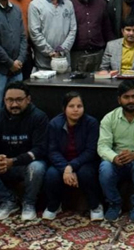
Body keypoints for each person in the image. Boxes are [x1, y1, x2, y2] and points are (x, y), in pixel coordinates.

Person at [0, 82, 48, 221]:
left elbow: (40, 149)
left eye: (19, 100)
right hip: (2, 166)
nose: (14, 104)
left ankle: (29, 203)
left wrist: (13, 161)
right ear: (4, 100)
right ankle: (8, 201)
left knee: (37, 167)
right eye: (9, 100)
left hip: (27, 164)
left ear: (28, 99)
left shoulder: (39, 117)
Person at [98, 81, 134, 222]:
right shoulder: (109, 118)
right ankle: (114, 204)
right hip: (117, 160)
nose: (130, 100)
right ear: (119, 100)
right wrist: (114, 157)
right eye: (126, 97)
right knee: (104, 167)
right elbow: (102, 146)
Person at [43, 92, 103, 221]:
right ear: (64, 108)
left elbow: (91, 151)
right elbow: (52, 151)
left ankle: (95, 205)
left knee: (86, 174)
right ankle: (54, 205)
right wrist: (66, 167)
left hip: (85, 162)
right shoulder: (54, 124)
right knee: (51, 174)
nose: (76, 109)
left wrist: (71, 166)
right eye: (71, 106)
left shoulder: (91, 123)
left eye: (79, 106)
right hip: (62, 162)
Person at [29, 0, 77, 71]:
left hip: (65, 61)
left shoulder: (68, 4)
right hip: (43, 63)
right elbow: (35, 32)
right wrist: (50, 52)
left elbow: (73, 30)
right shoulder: (35, 5)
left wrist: (62, 50)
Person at [70, 0, 114, 72]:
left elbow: (107, 30)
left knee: (99, 85)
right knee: (77, 86)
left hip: (98, 54)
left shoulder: (101, 4)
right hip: (76, 55)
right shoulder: (69, 5)